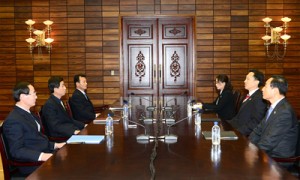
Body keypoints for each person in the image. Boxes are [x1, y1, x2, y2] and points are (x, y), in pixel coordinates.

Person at [2, 82, 65, 175]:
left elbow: (36, 139)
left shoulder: (30, 114)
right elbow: (17, 151)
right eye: (34, 93)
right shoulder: (13, 120)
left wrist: (56, 145)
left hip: (44, 153)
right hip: (31, 164)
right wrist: (43, 156)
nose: (36, 97)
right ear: (23, 96)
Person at [249, 75, 298, 159]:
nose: (262, 89)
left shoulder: (285, 112)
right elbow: (257, 131)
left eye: (265, 86)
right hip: (267, 154)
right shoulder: (273, 107)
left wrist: (252, 152)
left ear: (275, 91)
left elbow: (269, 142)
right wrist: (248, 145)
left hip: (277, 159)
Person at [227, 69, 267, 136]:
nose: (244, 81)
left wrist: (237, 133)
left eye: (247, 79)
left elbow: (256, 122)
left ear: (256, 82)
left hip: (244, 135)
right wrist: (224, 124)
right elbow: (238, 118)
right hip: (236, 129)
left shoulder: (259, 98)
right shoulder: (248, 96)